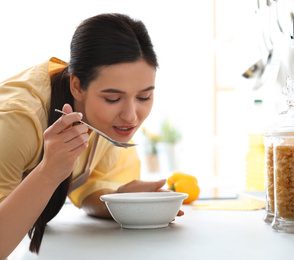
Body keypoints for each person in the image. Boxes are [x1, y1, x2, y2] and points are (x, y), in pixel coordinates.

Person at [0, 13, 183, 258]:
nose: (131, 116)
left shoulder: (108, 124)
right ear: (77, 87)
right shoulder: (17, 121)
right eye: (112, 98)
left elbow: (87, 193)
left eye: (143, 97)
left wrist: (121, 201)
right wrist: (49, 170)